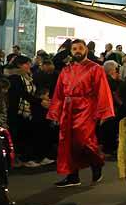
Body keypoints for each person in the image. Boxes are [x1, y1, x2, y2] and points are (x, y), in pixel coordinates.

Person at [47, 39, 115, 187]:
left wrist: (103, 113)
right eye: (74, 49)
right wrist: (55, 113)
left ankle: (96, 164)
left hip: (86, 108)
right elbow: (59, 93)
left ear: (86, 50)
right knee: (67, 142)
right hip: (68, 108)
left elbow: (102, 91)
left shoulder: (95, 68)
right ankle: (72, 176)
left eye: (80, 48)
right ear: (71, 51)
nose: (77, 51)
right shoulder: (65, 70)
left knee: (84, 140)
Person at [7, 55, 48, 167]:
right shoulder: (14, 78)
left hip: (28, 110)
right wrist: (39, 101)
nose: (29, 66)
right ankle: (24, 159)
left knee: (27, 134)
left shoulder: (28, 77)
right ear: (19, 65)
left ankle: (30, 157)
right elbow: (22, 94)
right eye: (27, 64)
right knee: (20, 136)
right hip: (18, 111)